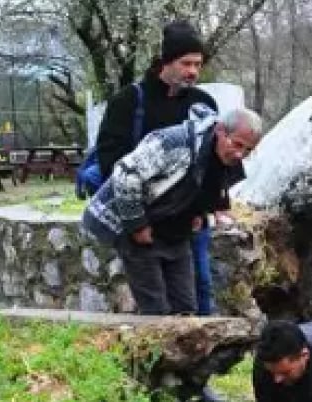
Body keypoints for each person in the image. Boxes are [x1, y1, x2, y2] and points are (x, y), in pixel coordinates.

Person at [94, 19, 223, 316]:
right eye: (185, 63)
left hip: (185, 221)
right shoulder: (129, 102)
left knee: (199, 288)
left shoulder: (203, 105)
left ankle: (202, 354)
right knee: (154, 304)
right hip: (142, 220)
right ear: (166, 61)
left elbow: (209, 165)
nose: (192, 71)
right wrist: (136, 221)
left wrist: (202, 210)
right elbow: (111, 161)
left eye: (198, 64)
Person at [81, 105, 261, 316]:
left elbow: (204, 187)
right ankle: (153, 347)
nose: (240, 154)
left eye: (248, 150)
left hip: (177, 233)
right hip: (139, 230)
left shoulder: (226, 159)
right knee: (156, 310)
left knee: (186, 308)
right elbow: (125, 173)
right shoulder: (172, 142)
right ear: (220, 130)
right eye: (237, 144)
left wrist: (201, 214)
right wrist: (136, 224)